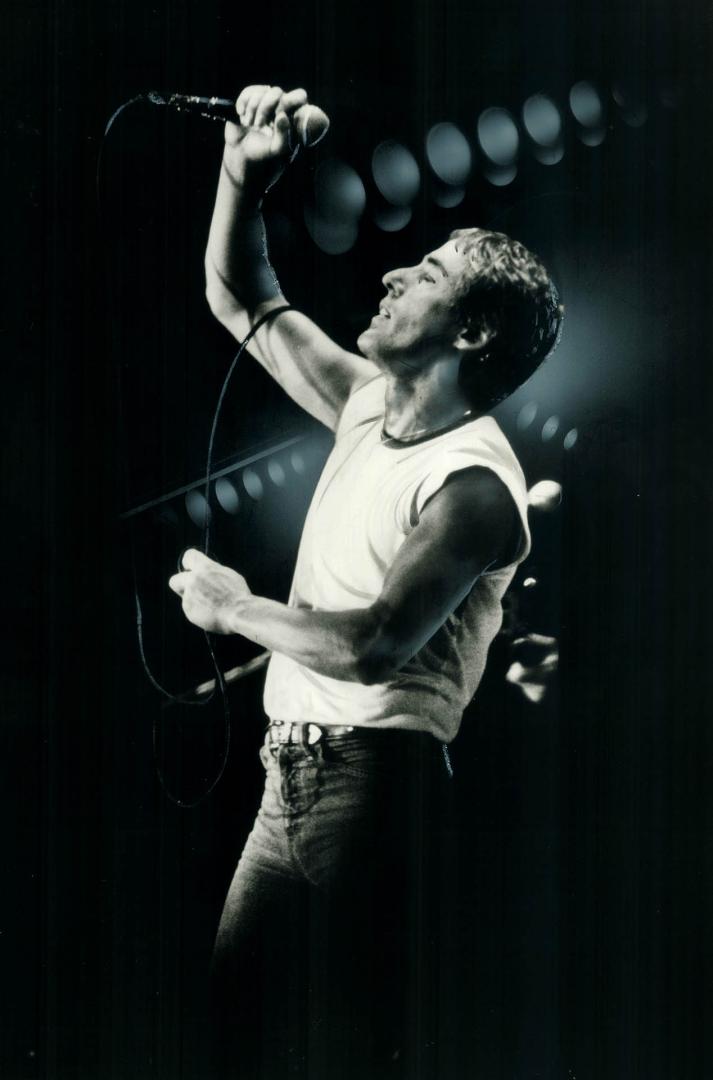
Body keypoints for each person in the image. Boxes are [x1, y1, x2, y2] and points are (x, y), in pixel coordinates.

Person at [168, 85, 562, 1078]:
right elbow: (242, 299)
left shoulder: (473, 488)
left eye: (424, 274)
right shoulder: (363, 403)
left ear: (469, 335)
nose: (390, 273)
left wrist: (231, 609)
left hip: (370, 793)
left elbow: (375, 643)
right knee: (230, 1035)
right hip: (287, 783)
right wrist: (238, 177)